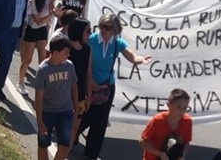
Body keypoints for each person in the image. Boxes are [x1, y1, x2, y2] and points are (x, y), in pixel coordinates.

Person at [77, 13, 152, 159]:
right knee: (83, 116)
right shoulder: (91, 40)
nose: (103, 29)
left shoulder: (117, 43)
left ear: (115, 29)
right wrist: (90, 84)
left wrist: (140, 60)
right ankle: (70, 140)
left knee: (100, 123)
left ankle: (91, 154)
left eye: (107, 27)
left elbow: (131, 56)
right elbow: (84, 61)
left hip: (106, 88)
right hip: (89, 85)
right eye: (102, 26)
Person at [34, 36, 78, 160]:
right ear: (55, 53)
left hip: (65, 111)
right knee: (43, 144)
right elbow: (38, 98)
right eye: (66, 53)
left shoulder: (69, 66)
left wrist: (76, 109)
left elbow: (74, 87)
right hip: (48, 111)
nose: (68, 55)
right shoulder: (43, 70)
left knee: (65, 145)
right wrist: (40, 122)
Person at [17, 0, 55, 96]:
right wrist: (51, 14)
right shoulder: (32, 1)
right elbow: (38, 21)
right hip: (32, 30)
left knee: (42, 60)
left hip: (43, 32)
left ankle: (43, 85)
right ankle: (20, 83)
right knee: (27, 59)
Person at [139, 88, 193, 160]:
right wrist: (159, 154)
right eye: (178, 107)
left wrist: (182, 155)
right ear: (169, 105)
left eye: (185, 108)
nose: (182, 111)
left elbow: (186, 142)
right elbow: (142, 141)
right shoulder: (157, 120)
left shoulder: (187, 121)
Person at [67, 18, 93, 151]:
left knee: (75, 126)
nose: (90, 34)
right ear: (78, 32)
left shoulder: (87, 49)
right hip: (64, 93)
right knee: (63, 124)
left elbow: (88, 74)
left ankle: (67, 150)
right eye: (88, 31)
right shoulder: (66, 48)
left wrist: (89, 95)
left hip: (80, 95)